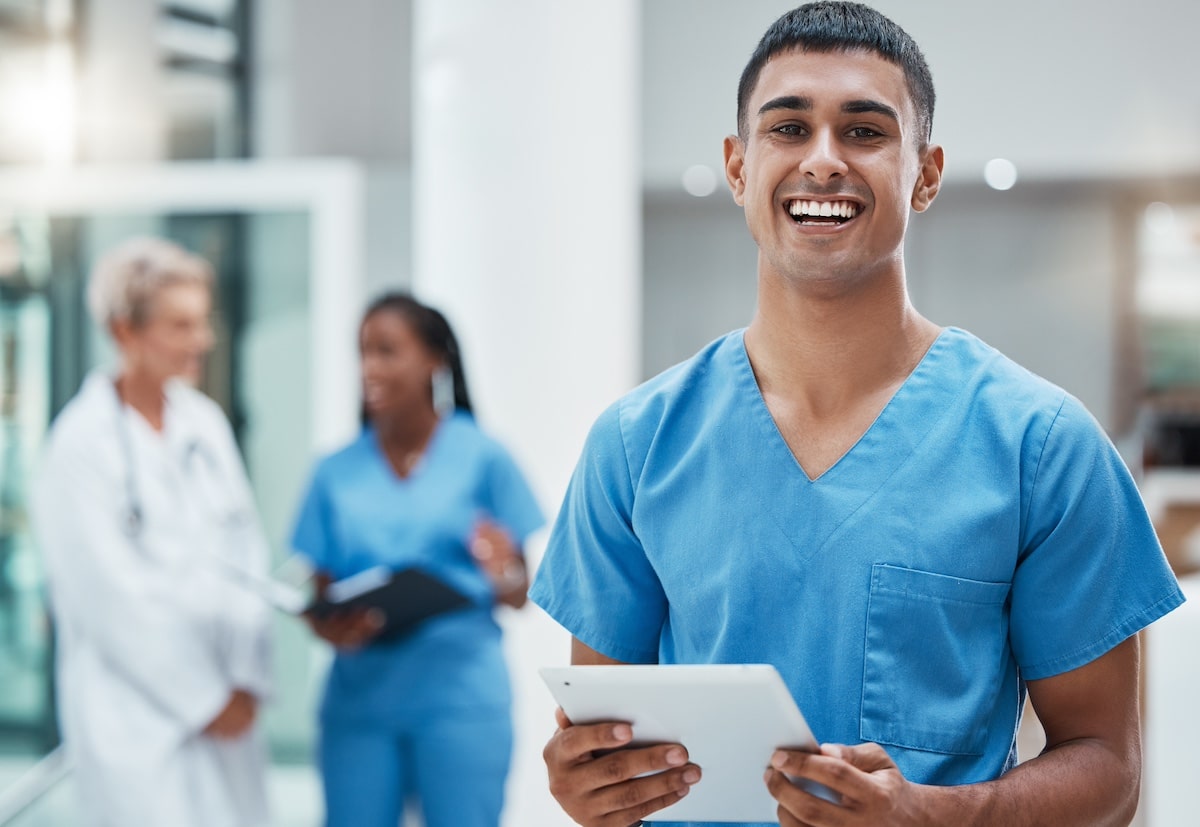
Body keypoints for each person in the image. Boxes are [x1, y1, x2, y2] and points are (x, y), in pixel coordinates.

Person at [530, 3, 1186, 826]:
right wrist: (587, 782)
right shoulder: (636, 447)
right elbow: (606, 742)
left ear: (926, 172)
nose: (824, 161)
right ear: (737, 167)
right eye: (789, 128)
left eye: (866, 132)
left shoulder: (1042, 448)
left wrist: (930, 814)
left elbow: (1110, 771)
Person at [30, 237, 273, 826]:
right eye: (180, 325)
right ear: (124, 332)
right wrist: (204, 698)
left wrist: (244, 678)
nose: (203, 340)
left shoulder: (204, 423)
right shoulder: (79, 444)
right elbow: (107, 599)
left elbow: (247, 552)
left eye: (202, 321)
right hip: (133, 718)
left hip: (227, 706)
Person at [290, 292, 544, 827]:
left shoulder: (483, 457)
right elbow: (320, 592)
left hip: (460, 700)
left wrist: (504, 570)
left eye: (386, 351)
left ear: (435, 360)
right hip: (360, 704)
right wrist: (329, 626)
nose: (369, 368)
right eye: (362, 352)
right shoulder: (334, 472)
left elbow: (518, 592)